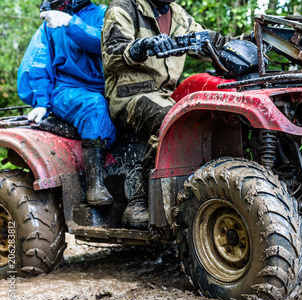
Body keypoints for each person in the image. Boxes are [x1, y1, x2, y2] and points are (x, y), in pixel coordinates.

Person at [102, 0, 250, 228]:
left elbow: (215, 43)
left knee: (214, 110)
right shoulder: (124, 7)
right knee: (169, 119)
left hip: (167, 94)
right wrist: (139, 47)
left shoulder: (178, 15)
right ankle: (138, 202)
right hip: (129, 95)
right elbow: (111, 54)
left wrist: (254, 40)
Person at [18, 0, 116, 206]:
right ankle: (95, 185)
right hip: (67, 90)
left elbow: (105, 44)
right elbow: (38, 61)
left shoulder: (105, 14)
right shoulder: (49, 23)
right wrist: (42, 102)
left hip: (107, 87)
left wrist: (72, 24)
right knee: (94, 107)